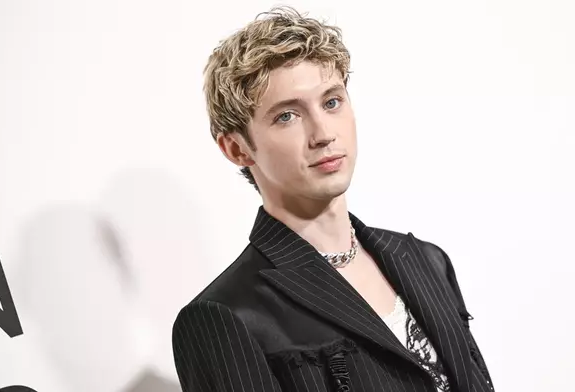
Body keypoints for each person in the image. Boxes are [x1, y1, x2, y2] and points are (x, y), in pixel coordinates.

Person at [172, 6, 494, 392]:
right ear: (237, 149)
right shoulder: (228, 316)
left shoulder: (427, 261)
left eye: (331, 102)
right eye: (287, 116)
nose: (323, 133)